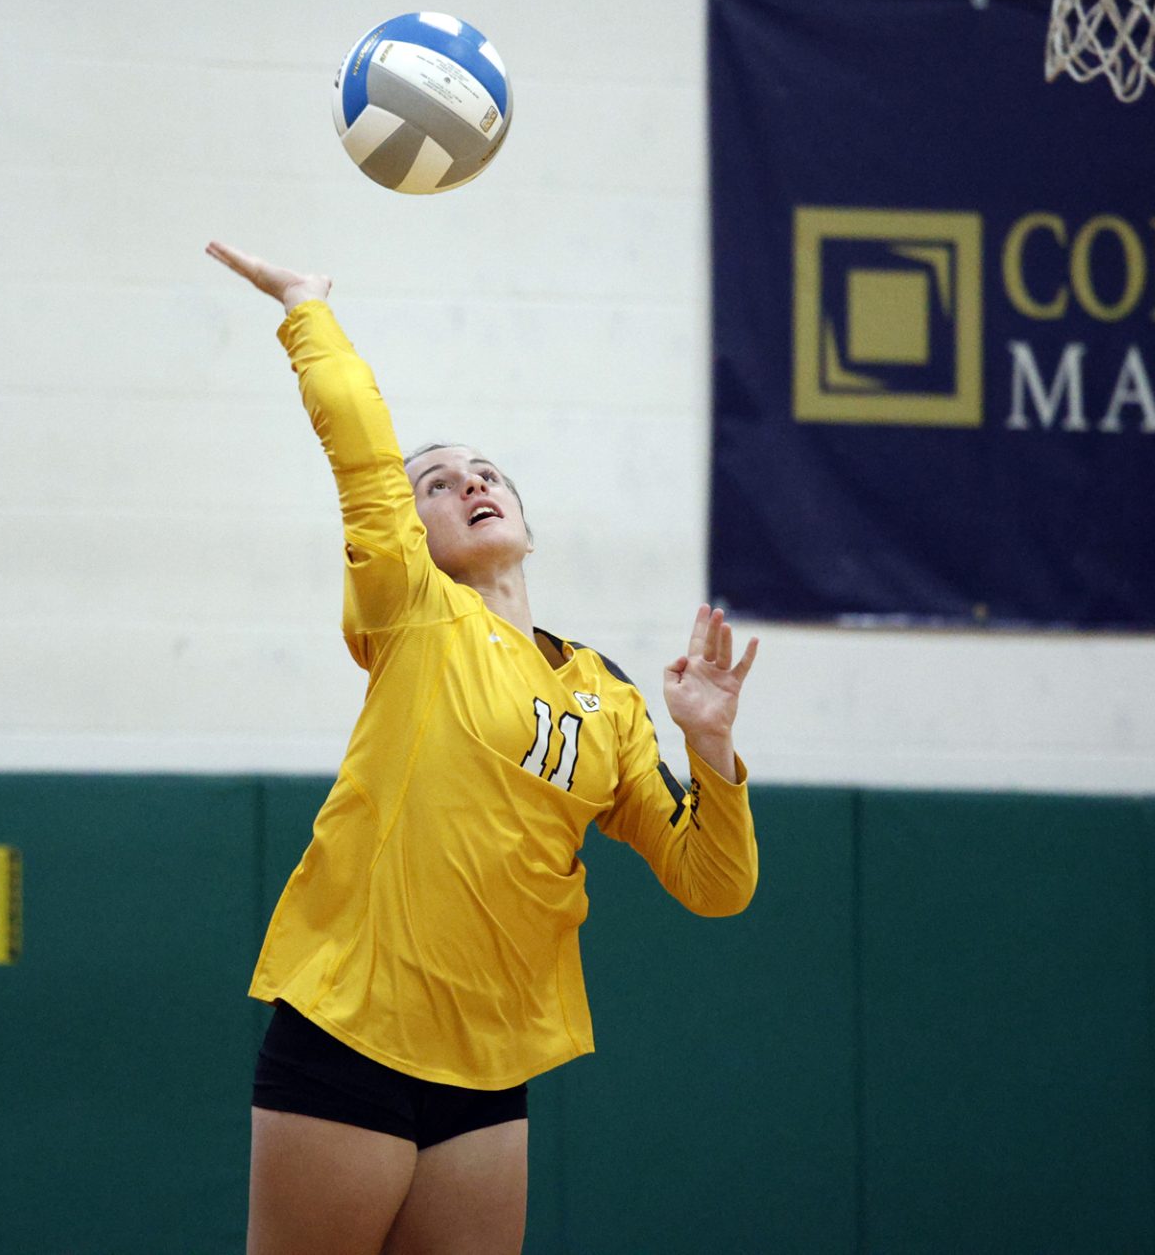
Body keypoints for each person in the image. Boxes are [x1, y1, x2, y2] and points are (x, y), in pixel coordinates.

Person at [207, 241, 761, 1255]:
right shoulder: (415, 613)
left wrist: (712, 749)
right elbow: (365, 456)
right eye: (438, 482)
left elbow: (713, 882)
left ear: (525, 521)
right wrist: (305, 310)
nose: (467, 482)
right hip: (349, 1034)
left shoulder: (606, 694)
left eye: (486, 472)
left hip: (488, 1068)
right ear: (410, 534)